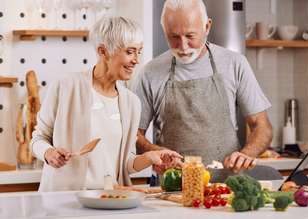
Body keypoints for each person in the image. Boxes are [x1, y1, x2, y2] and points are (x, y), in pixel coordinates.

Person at [30, 15, 181, 192]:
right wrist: (48, 153)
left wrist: (151, 157)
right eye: (130, 51)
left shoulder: (131, 103)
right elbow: (38, 139)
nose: (136, 60)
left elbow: (125, 163)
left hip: (108, 200)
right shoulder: (66, 86)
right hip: (63, 201)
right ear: (103, 51)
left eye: (139, 51)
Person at [135, 0, 273, 173]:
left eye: (190, 36)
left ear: (207, 27)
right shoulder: (150, 72)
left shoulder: (234, 64)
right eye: (174, 37)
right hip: (174, 190)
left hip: (228, 189)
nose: (183, 46)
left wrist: (247, 154)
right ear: (165, 31)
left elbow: (262, 126)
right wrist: (155, 152)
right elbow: (134, 135)